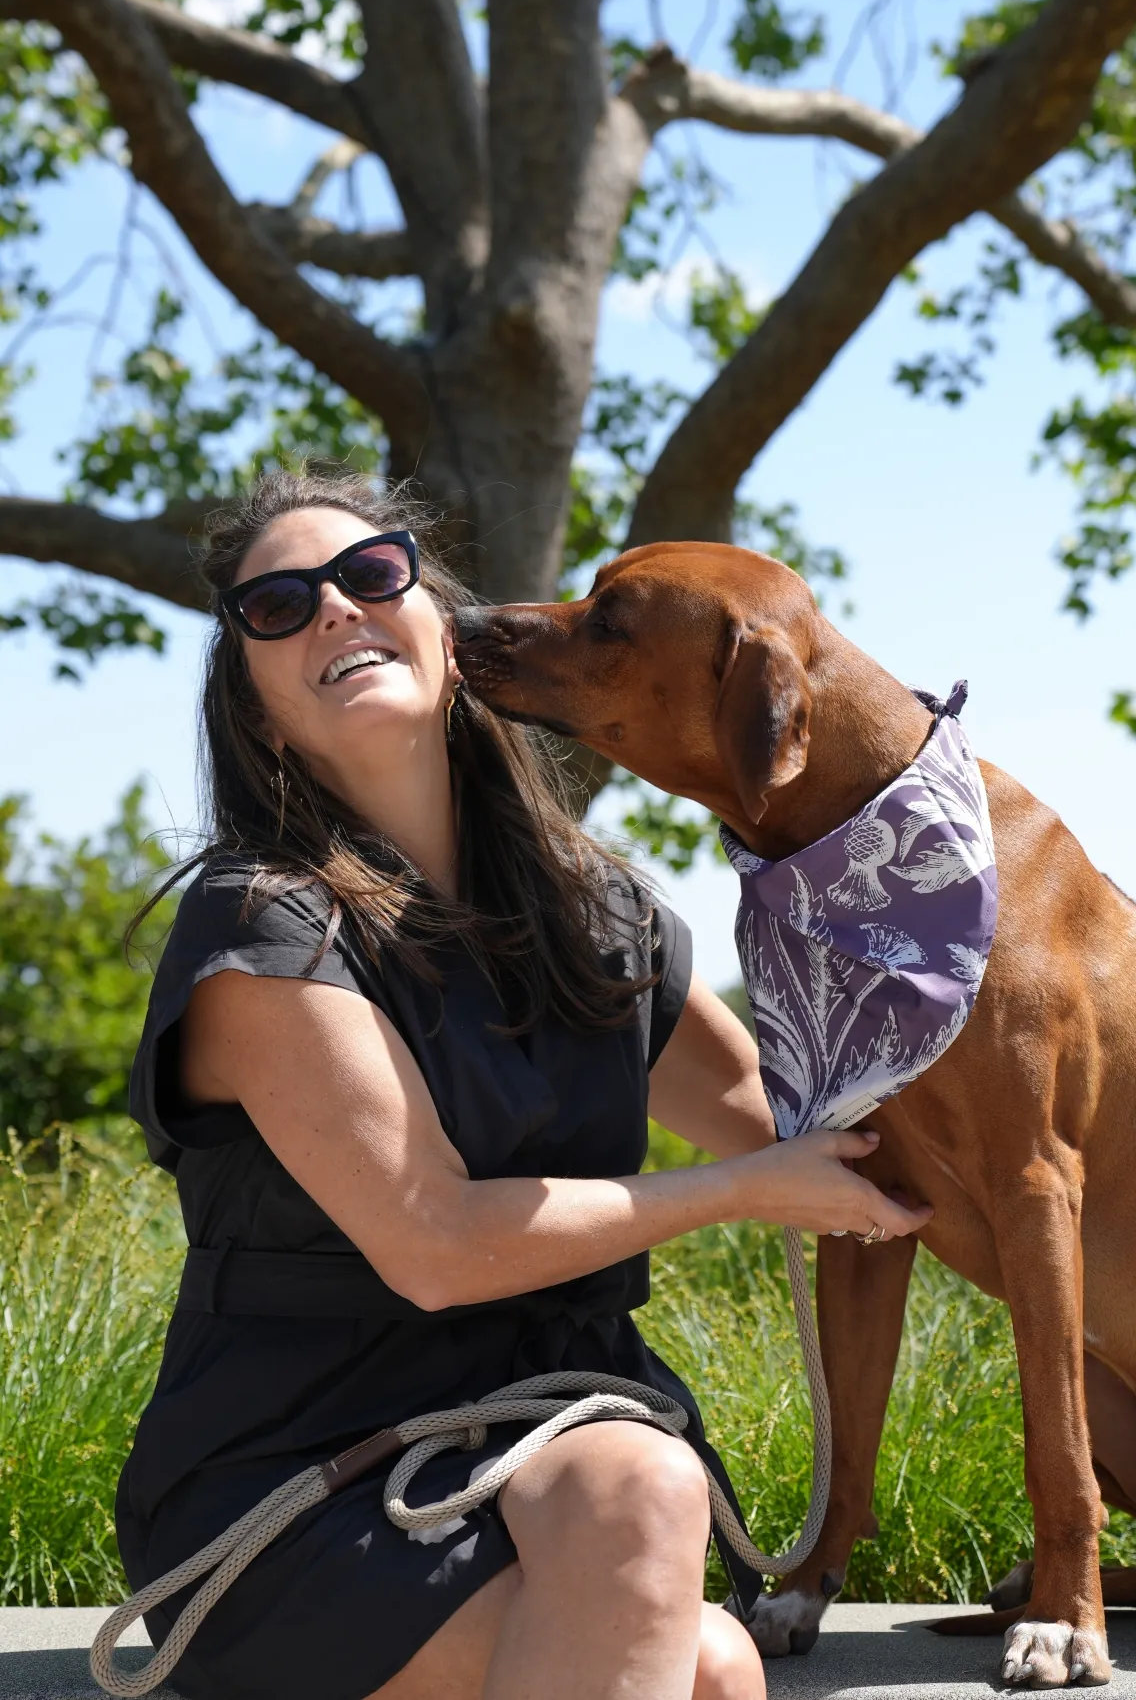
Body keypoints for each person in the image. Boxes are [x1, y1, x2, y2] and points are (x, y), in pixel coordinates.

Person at [118, 470, 929, 1700]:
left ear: (450, 639)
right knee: (669, 1564)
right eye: (277, 608)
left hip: (547, 1456)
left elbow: (808, 1127)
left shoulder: (600, 913)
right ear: (260, 710)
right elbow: (437, 1243)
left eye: (372, 575)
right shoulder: (263, 928)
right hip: (295, 1482)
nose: (334, 609)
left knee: (706, 1644)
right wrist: (742, 1192)